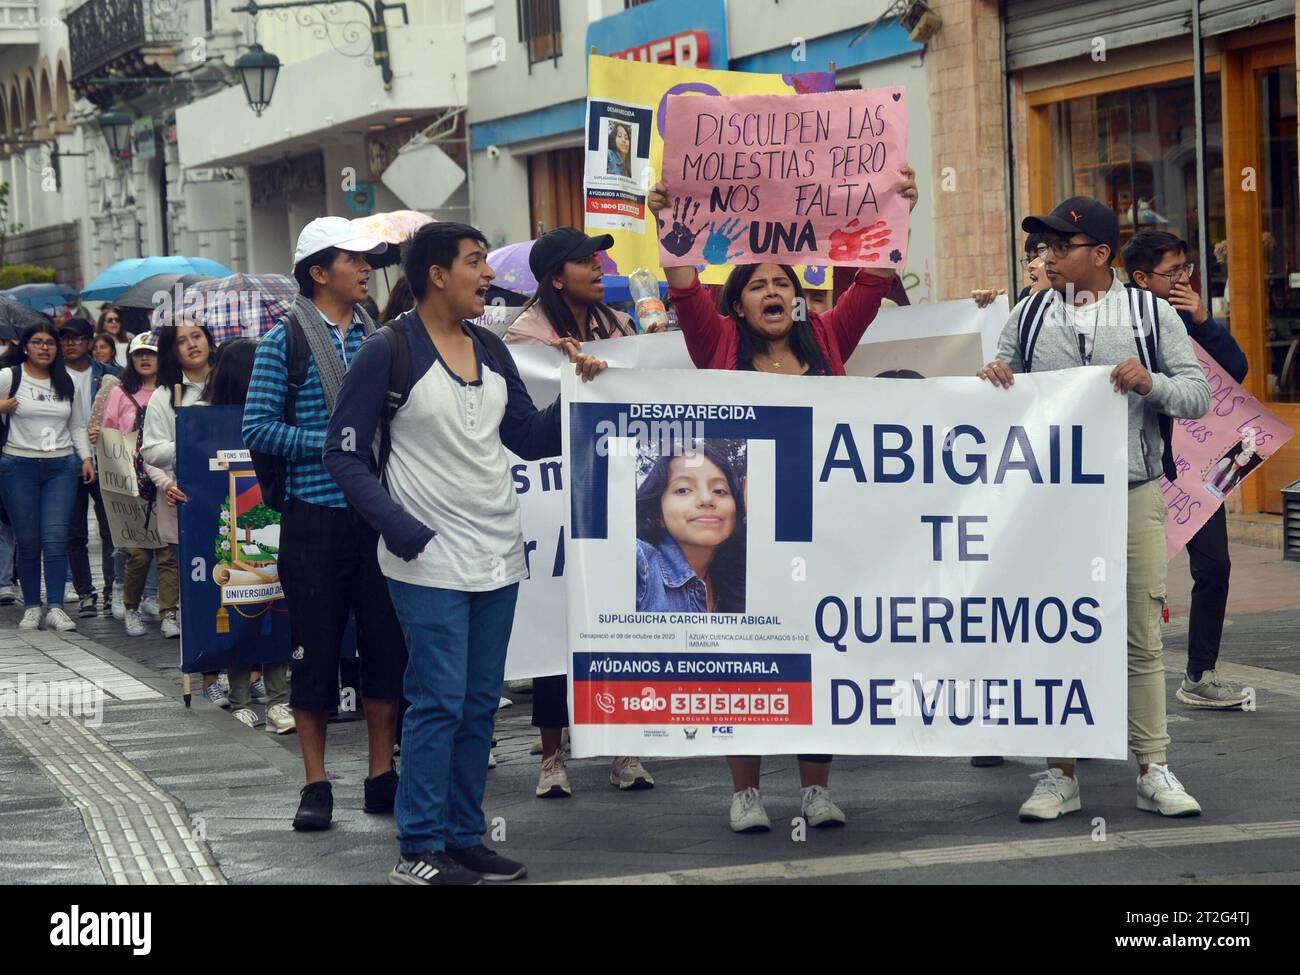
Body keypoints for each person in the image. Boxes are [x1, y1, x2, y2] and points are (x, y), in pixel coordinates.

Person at [323, 221, 608, 884]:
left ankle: (463, 835)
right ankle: (418, 845)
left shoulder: (489, 345)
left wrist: (578, 386)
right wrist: (399, 525)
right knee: (439, 698)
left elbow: (532, 439)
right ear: (436, 275)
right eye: (476, 262)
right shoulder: (386, 350)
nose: (490, 276)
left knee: (480, 701)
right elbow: (341, 452)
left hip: (498, 554)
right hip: (426, 559)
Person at [647, 164, 918, 833]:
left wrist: (894, 204)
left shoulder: (827, 337)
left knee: (817, 654)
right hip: (742, 535)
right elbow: (683, 288)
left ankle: (816, 789)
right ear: (737, 304)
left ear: (799, 301)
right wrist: (669, 227)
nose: (773, 291)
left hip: (817, 528)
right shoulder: (717, 343)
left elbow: (875, 278)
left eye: (783, 283)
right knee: (746, 662)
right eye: (759, 284)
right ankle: (745, 792)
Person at [978, 195, 1212, 821]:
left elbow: (1198, 396)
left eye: (1061, 246)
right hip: (1053, 504)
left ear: (1101, 254)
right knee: (1057, 632)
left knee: (1139, 635)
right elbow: (999, 401)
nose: (1047, 256)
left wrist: (1151, 384)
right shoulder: (1027, 319)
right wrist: (995, 382)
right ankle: (1061, 773)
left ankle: (1153, 767)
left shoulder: (1149, 314)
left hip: (1132, 494)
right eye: (1044, 246)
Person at [243, 215, 405, 831]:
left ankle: (379, 773)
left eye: (370, 259)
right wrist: (335, 441)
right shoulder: (281, 341)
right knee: (313, 650)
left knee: (385, 647)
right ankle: (315, 783)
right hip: (313, 516)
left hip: (375, 513)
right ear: (318, 273)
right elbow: (257, 429)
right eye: (354, 259)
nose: (367, 268)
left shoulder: (380, 336)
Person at [505, 226, 650, 797]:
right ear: (556, 276)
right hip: (552, 496)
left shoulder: (619, 326)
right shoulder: (525, 335)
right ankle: (551, 756)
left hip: (615, 488)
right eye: (586, 260)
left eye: (599, 259)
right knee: (554, 618)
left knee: (620, 614)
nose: (599, 267)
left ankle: (624, 748)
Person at [1122, 229, 1250, 711]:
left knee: (1214, 566)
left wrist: (1201, 318)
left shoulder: (1187, 318)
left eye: (1185, 269)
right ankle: (1115, 677)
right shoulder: (1120, 318)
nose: (1183, 279)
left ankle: (1200, 673)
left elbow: (1235, 369)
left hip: (1194, 465)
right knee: (1130, 576)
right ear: (1140, 278)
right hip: (1138, 465)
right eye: (1171, 272)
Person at [199, 337, 296, 734]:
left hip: (272, 524)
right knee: (242, 609)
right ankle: (247, 697)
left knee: (273, 606)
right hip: (234, 536)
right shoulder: (207, 420)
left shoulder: (279, 417)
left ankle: (273, 700)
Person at [0, 322, 96, 632]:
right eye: (38, 342)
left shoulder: (66, 381)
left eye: (50, 343)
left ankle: (55, 606)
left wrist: (85, 458)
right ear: (25, 346)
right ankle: (31, 606)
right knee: (28, 542)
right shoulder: (8, 377)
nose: (45, 347)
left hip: (61, 468)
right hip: (18, 466)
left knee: (55, 539)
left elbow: (78, 425)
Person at [142, 321, 217, 651]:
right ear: (173, 352)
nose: (192, 345)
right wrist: (190, 444)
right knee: (197, 585)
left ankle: (245, 668)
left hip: (230, 497)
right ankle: (205, 660)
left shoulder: (229, 382)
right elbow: (151, 451)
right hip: (188, 500)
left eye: (197, 336)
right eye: (182, 341)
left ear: (209, 342)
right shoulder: (165, 395)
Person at [99, 333, 178, 642]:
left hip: (161, 477)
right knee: (137, 553)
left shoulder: (170, 392)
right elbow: (108, 436)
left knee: (166, 552)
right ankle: (131, 605)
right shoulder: (119, 393)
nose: (145, 359)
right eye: (138, 355)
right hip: (128, 481)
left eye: (152, 354)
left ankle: (167, 610)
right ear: (130, 360)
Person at [635, 441, 745, 612]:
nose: (707, 499)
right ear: (658, 514)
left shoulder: (738, 579)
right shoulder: (639, 565)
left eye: (719, 491)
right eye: (683, 490)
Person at [61, 317, 119, 618]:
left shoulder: (110, 375)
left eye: (77, 337)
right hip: (67, 461)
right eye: (66, 337)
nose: (70, 343)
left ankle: (111, 592)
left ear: (88, 341)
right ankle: (85, 593)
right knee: (74, 533)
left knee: (111, 531)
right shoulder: (53, 375)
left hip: (106, 459)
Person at [972, 233, 1048, 309]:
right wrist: (991, 304)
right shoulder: (1026, 295)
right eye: (1029, 259)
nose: (1029, 266)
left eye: (1039, 258)